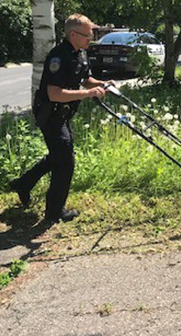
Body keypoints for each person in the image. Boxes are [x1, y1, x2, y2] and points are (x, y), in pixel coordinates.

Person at [9, 13, 111, 223]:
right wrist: (88, 93)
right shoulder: (58, 56)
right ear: (73, 34)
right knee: (66, 161)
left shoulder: (80, 54)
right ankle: (54, 212)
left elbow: (85, 78)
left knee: (59, 155)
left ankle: (23, 184)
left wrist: (101, 84)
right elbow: (55, 93)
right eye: (87, 35)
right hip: (50, 113)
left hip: (63, 114)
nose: (90, 39)